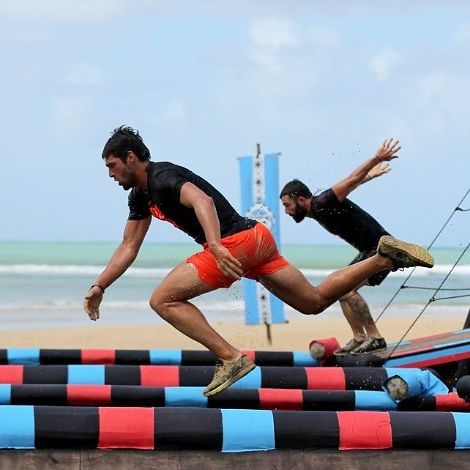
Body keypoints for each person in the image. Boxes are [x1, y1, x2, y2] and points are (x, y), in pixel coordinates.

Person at [84, 127, 434, 396]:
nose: (110, 174)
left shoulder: (162, 177)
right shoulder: (140, 198)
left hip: (235, 243)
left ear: (131, 157)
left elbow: (202, 201)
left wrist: (217, 246)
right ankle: (383, 258)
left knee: (163, 299)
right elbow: (128, 246)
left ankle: (231, 357)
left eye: (112, 166)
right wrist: (101, 285)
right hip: (257, 240)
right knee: (313, 303)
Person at [280, 138, 408, 355]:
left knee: (347, 290)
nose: (287, 211)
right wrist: (368, 178)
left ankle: (375, 337)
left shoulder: (322, 202)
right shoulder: (318, 209)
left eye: (287, 205)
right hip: (369, 251)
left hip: (382, 250)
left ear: (301, 199)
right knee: (342, 291)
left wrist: (376, 159)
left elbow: (350, 179)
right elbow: (352, 183)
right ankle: (360, 337)